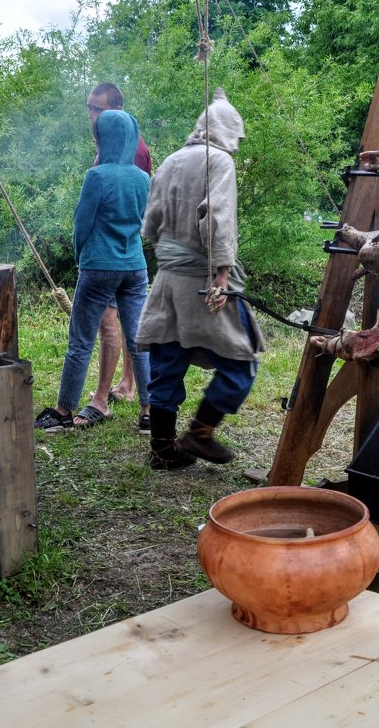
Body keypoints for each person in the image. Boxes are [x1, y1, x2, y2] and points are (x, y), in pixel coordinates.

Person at [135, 88, 265, 470]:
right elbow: (218, 218)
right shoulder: (220, 161)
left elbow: (151, 224)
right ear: (227, 130)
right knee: (242, 360)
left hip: (169, 280)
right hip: (204, 280)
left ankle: (162, 449)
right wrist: (221, 275)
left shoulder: (171, 161)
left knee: (168, 360)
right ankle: (199, 433)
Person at [34, 108, 152, 433]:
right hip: (135, 267)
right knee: (139, 339)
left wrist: (79, 256)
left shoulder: (97, 176)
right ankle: (148, 411)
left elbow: (81, 224)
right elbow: (146, 224)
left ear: (103, 138)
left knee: (81, 340)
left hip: (99, 266)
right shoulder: (143, 178)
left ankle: (62, 410)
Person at [87, 83, 150, 425]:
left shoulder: (133, 152)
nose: (92, 117)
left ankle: (108, 395)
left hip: (118, 254)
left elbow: (134, 209)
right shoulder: (110, 148)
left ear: (117, 112)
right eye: (90, 109)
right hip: (117, 254)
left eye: (99, 110)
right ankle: (124, 388)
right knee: (118, 321)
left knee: (114, 321)